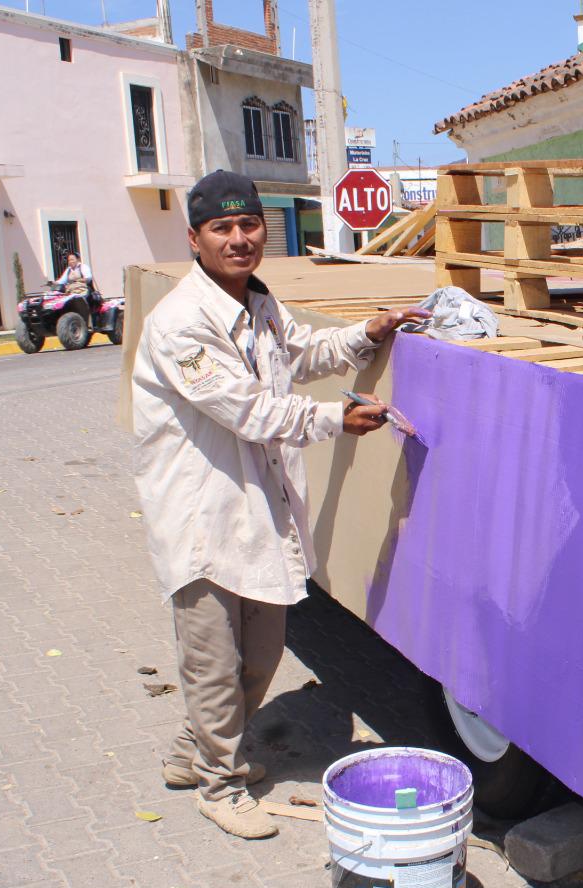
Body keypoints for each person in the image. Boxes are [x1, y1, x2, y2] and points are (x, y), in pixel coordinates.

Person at [130, 169, 428, 839]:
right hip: (202, 515)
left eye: (249, 225)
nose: (238, 238)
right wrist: (334, 420)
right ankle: (220, 785)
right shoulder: (182, 323)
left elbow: (302, 353)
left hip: (256, 509)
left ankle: (192, 753)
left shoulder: (259, 304)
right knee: (214, 663)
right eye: (221, 228)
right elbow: (248, 409)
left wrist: (369, 331)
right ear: (195, 240)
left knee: (260, 658)